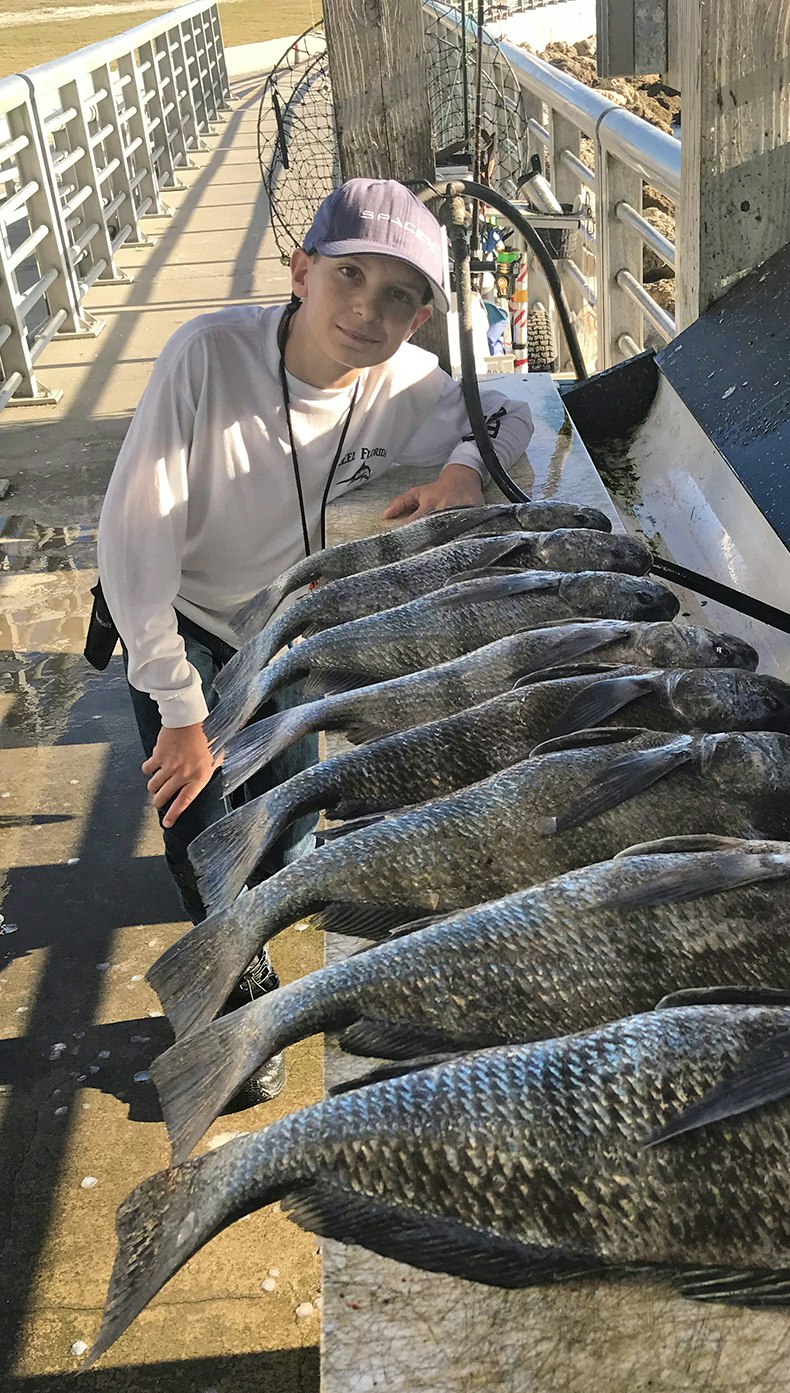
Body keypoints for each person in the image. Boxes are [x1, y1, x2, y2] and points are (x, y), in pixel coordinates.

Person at [96, 177, 534, 1102]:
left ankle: (254, 892)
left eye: (399, 296)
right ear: (301, 271)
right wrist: (178, 710)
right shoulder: (205, 357)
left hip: (295, 629)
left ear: (420, 318)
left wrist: (462, 472)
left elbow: (509, 413)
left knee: (290, 832)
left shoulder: (415, 382)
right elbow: (132, 540)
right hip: (191, 618)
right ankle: (228, 988)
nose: (367, 310)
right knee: (204, 821)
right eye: (349, 277)